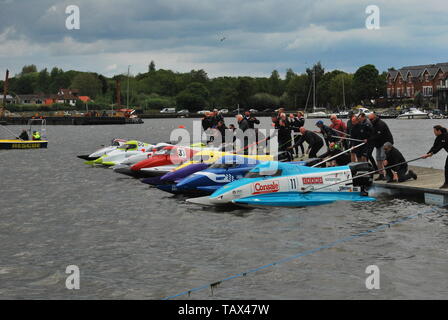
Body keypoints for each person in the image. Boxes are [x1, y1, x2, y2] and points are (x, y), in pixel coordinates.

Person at [367, 113, 394, 181]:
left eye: (371, 119)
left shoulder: (380, 124)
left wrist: (369, 140)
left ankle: (387, 174)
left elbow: (378, 135)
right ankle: (381, 174)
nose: (370, 121)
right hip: (379, 143)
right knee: (378, 158)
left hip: (386, 142)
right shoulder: (373, 124)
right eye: (369, 119)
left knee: (383, 158)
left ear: (375, 117)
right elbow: (372, 134)